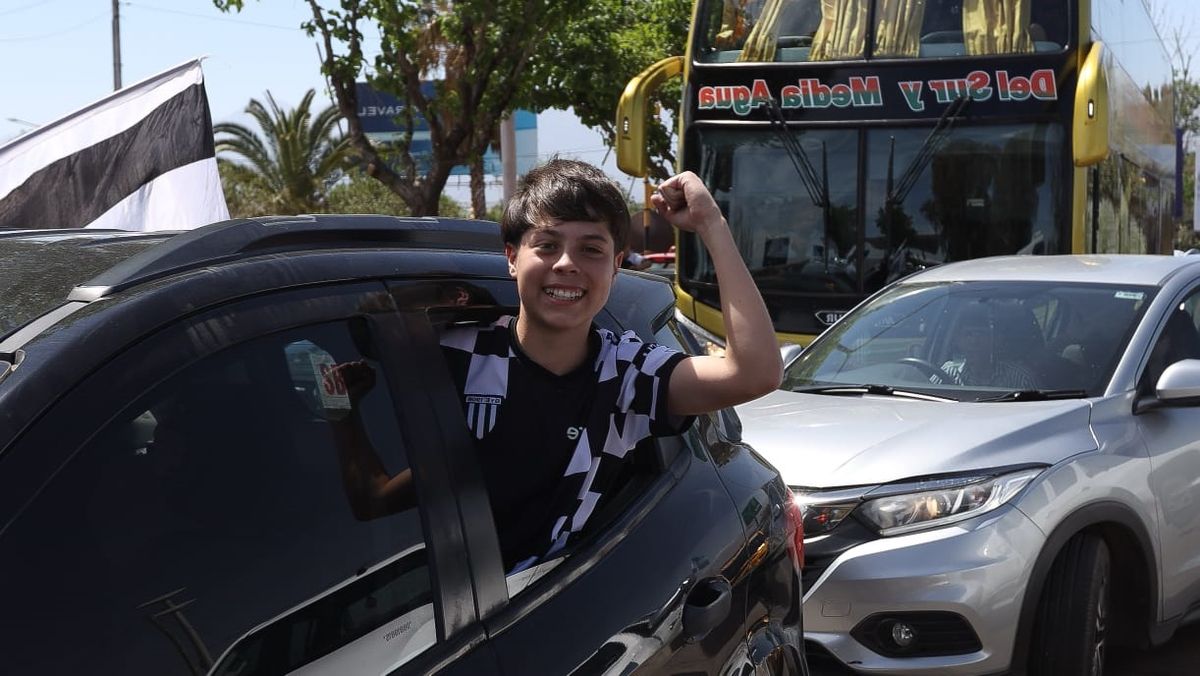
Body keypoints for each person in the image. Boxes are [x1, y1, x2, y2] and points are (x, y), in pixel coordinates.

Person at [331, 158, 782, 574]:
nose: (566, 264)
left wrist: (711, 223)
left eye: (591, 250)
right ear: (511, 258)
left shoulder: (627, 373)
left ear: (616, 265)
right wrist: (343, 412)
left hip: (543, 610)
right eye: (547, 245)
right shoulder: (456, 349)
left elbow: (756, 372)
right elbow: (367, 322)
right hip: (422, 619)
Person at [938, 303, 1037, 389]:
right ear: (958, 341)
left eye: (981, 334)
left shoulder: (1020, 378)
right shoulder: (948, 373)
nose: (974, 341)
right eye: (968, 334)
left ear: (996, 340)